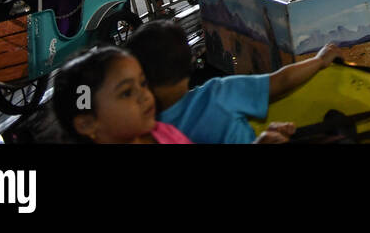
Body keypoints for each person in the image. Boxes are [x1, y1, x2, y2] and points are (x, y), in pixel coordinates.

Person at [129, 20, 337, 144]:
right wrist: (318, 61)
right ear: (189, 65)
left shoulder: (145, 130)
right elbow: (281, 81)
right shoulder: (219, 93)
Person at [52, 47, 194, 144]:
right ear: (87, 124)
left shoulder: (162, 132)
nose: (144, 95)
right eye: (126, 93)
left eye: (143, 83)